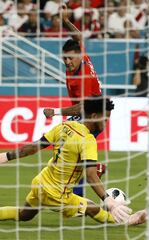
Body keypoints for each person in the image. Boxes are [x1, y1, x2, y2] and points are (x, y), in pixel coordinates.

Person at [0, 98, 147, 226]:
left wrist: (1, 158)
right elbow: (91, 174)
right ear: (94, 116)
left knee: (25, 215)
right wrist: (108, 201)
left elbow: (35, 146)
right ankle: (128, 220)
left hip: (41, 181)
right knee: (92, 207)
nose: (106, 122)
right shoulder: (88, 140)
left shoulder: (65, 126)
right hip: (57, 194)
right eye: (105, 118)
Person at [42, 4, 104, 197]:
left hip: (92, 116)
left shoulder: (82, 78)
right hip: (88, 113)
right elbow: (78, 37)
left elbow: (81, 107)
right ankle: (92, 176)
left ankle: (78, 196)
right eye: (64, 59)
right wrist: (67, 21)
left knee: (70, 153)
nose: (67, 62)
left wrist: (56, 112)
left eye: (70, 59)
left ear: (77, 56)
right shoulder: (81, 55)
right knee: (70, 154)